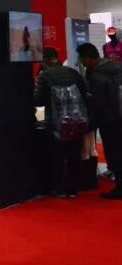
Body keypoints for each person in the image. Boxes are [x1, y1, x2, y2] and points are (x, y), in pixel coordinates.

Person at [34, 47, 89, 198]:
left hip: (56, 123)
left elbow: (38, 102)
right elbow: (85, 92)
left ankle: (59, 188)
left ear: (45, 60)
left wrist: (40, 124)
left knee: (57, 157)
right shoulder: (73, 72)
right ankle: (73, 188)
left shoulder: (45, 76)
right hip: (77, 121)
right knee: (74, 155)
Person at [77, 43, 122, 199]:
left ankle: (120, 188)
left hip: (110, 121)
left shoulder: (97, 76)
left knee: (115, 154)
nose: (82, 63)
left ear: (88, 58)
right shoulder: (117, 67)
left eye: (82, 59)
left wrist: (90, 123)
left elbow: (98, 103)